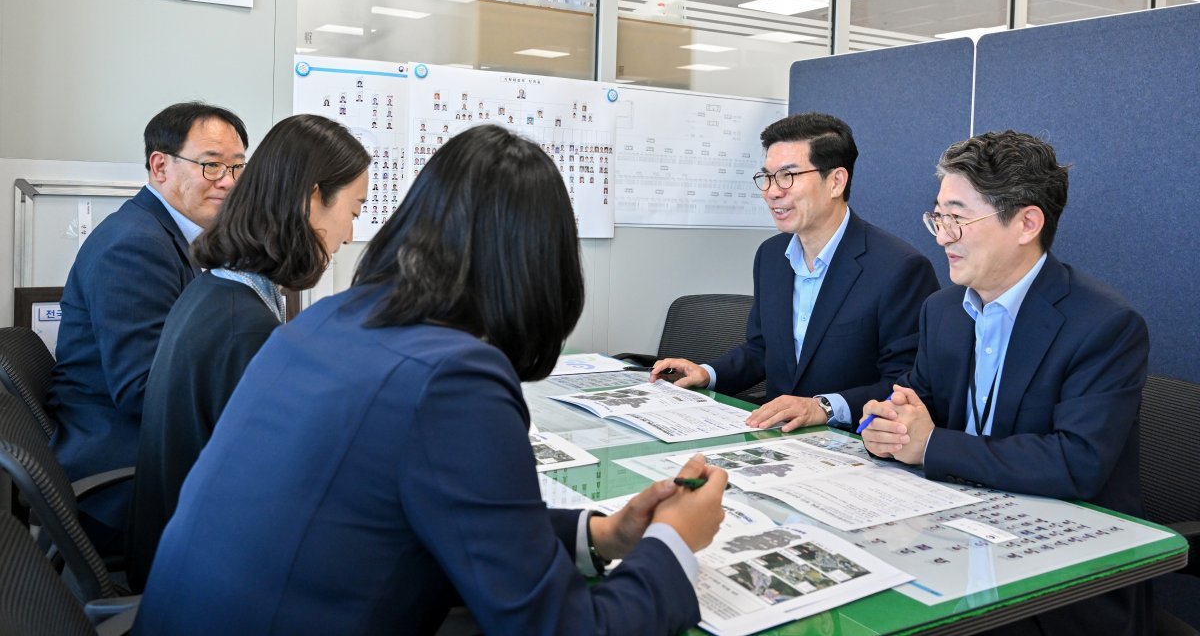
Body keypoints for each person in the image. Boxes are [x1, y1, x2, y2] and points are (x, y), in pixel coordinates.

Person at [134, 124, 727, 635]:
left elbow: (470, 517)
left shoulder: (330, 318)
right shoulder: (453, 377)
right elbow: (559, 626)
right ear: (537, 263)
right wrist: (673, 543)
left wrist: (603, 535)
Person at [860, 130, 1151, 636]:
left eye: (958, 218)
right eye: (938, 216)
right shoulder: (944, 310)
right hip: (952, 538)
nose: (942, 235)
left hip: (1060, 577)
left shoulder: (1104, 324)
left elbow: (1074, 462)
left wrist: (930, 445)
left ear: (1026, 223)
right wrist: (884, 422)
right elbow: (911, 399)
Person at [125, 114, 370, 591]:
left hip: (178, 548)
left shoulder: (219, 292)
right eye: (355, 210)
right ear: (311, 199)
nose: (348, 236)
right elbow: (281, 493)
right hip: (204, 579)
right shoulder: (243, 328)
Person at [651, 113, 938, 432]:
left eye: (788, 176)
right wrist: (707, 373)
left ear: (836, 181)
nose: (772, 192)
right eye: (767, 177)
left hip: (854, 445)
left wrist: (824, 407)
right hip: (777, 439)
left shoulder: (899, 268)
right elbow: (761, 350)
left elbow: (905, 387)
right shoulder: (771, 256)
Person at [48, 101, 248, 550]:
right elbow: (143, 388)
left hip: (138, 444)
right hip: (120, 470)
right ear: (160, 166)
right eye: (211, 166)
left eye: (237, 167)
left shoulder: (170, 235)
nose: (229, 183)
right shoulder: (135, 244)